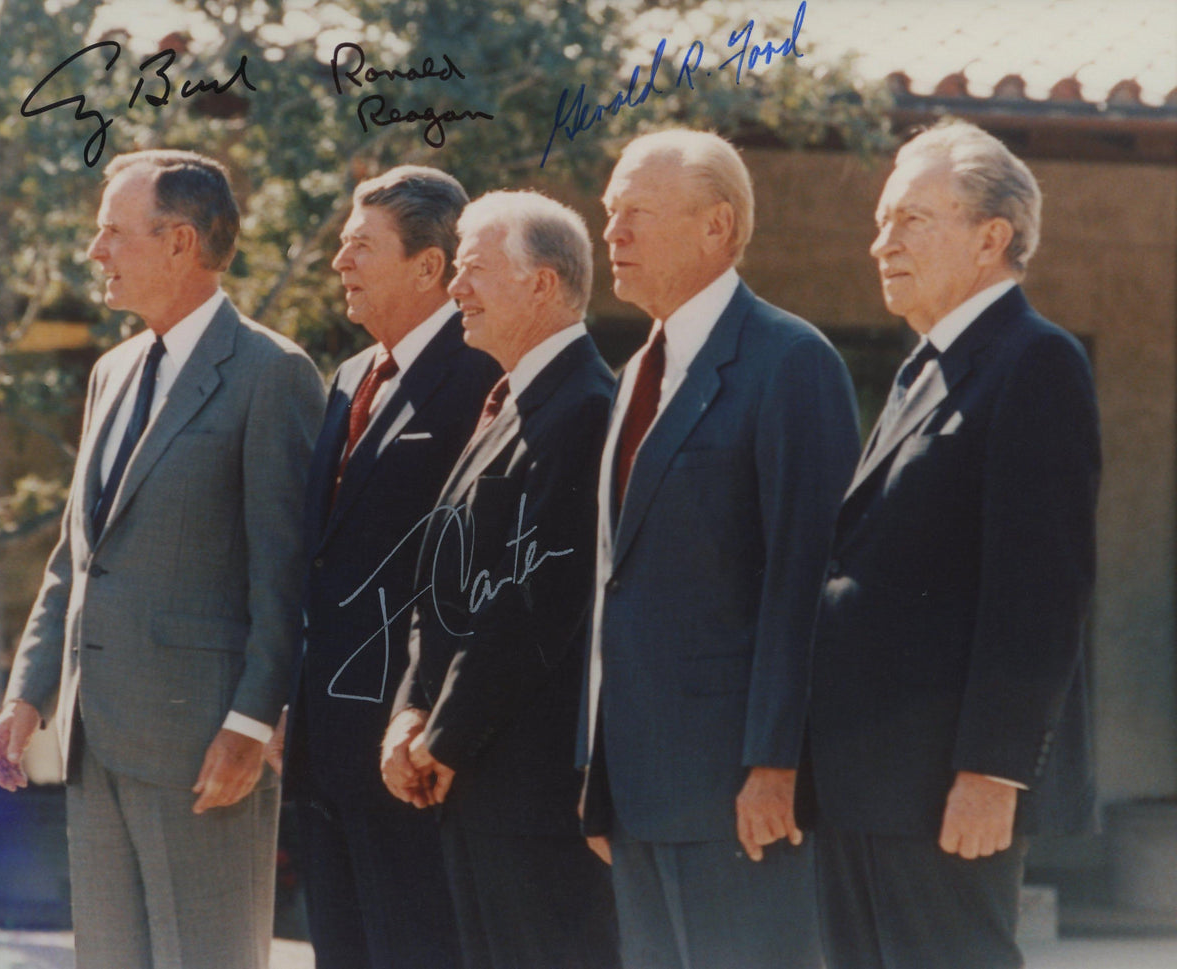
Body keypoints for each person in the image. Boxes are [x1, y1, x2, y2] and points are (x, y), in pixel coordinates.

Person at [0, 150, 325, 969]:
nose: (96, 251)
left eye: (111, 232)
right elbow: (77, 556)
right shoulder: (112, 370)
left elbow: (289, 573)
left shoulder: (274, 374)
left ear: (178, 242)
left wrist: (250, 723)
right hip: (95, 740)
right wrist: (28, 696)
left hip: (206, 751)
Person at [801, 119, 1101, 969]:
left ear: (991, 238)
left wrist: (992, 772)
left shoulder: (1034, 362)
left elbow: (1041, 590)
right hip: (868, 780)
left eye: (910, 221)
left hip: (943, 785)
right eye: (881, 221)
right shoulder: (920, 370)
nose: (880, 243)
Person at [578, 128, 860, 969]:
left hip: (737, 793)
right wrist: (599, 778)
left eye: (636, 214)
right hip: (637, 789)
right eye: (609, 213)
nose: (612, 235)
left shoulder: (791, 360)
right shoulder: (635, 372)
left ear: (716, 226)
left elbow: (806, 580)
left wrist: (777, 763)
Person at [382, 190, 620, 969]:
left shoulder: (586, 409)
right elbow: (444, 585)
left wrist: (442, 734)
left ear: (543, 284)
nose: (454, 289)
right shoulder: (511, 402)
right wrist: (410, 712)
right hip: (474, 781)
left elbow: (536, 603)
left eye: (475, 268)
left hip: (533, 796)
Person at [269, 166, 498, 969]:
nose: (341, 263)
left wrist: (427, 720)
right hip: (326, 750)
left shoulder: (481, 378)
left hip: (411, 752)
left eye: (360, 246)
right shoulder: (349, 379)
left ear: (429, 266)